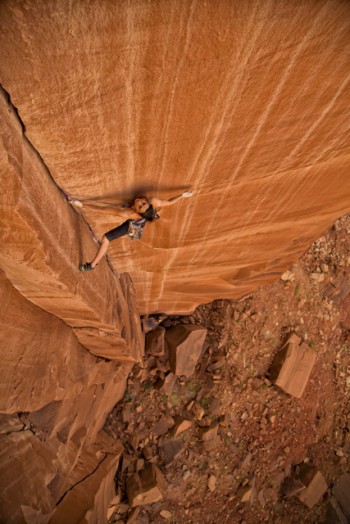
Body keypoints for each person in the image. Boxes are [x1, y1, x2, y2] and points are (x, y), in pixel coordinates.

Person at [72, 191, 193, 271]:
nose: (139, 201)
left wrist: (81, 205)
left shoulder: (129, 213)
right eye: (143, 203)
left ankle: (92, 265)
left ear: (137, 211)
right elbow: (169, 202)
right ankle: (153, 216)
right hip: (145, 216)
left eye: (140, 206)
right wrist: (182, 195)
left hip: (134, 226)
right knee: (154, 212)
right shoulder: (153, 201)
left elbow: (104, 210)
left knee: (105, 239)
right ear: (149, 203)